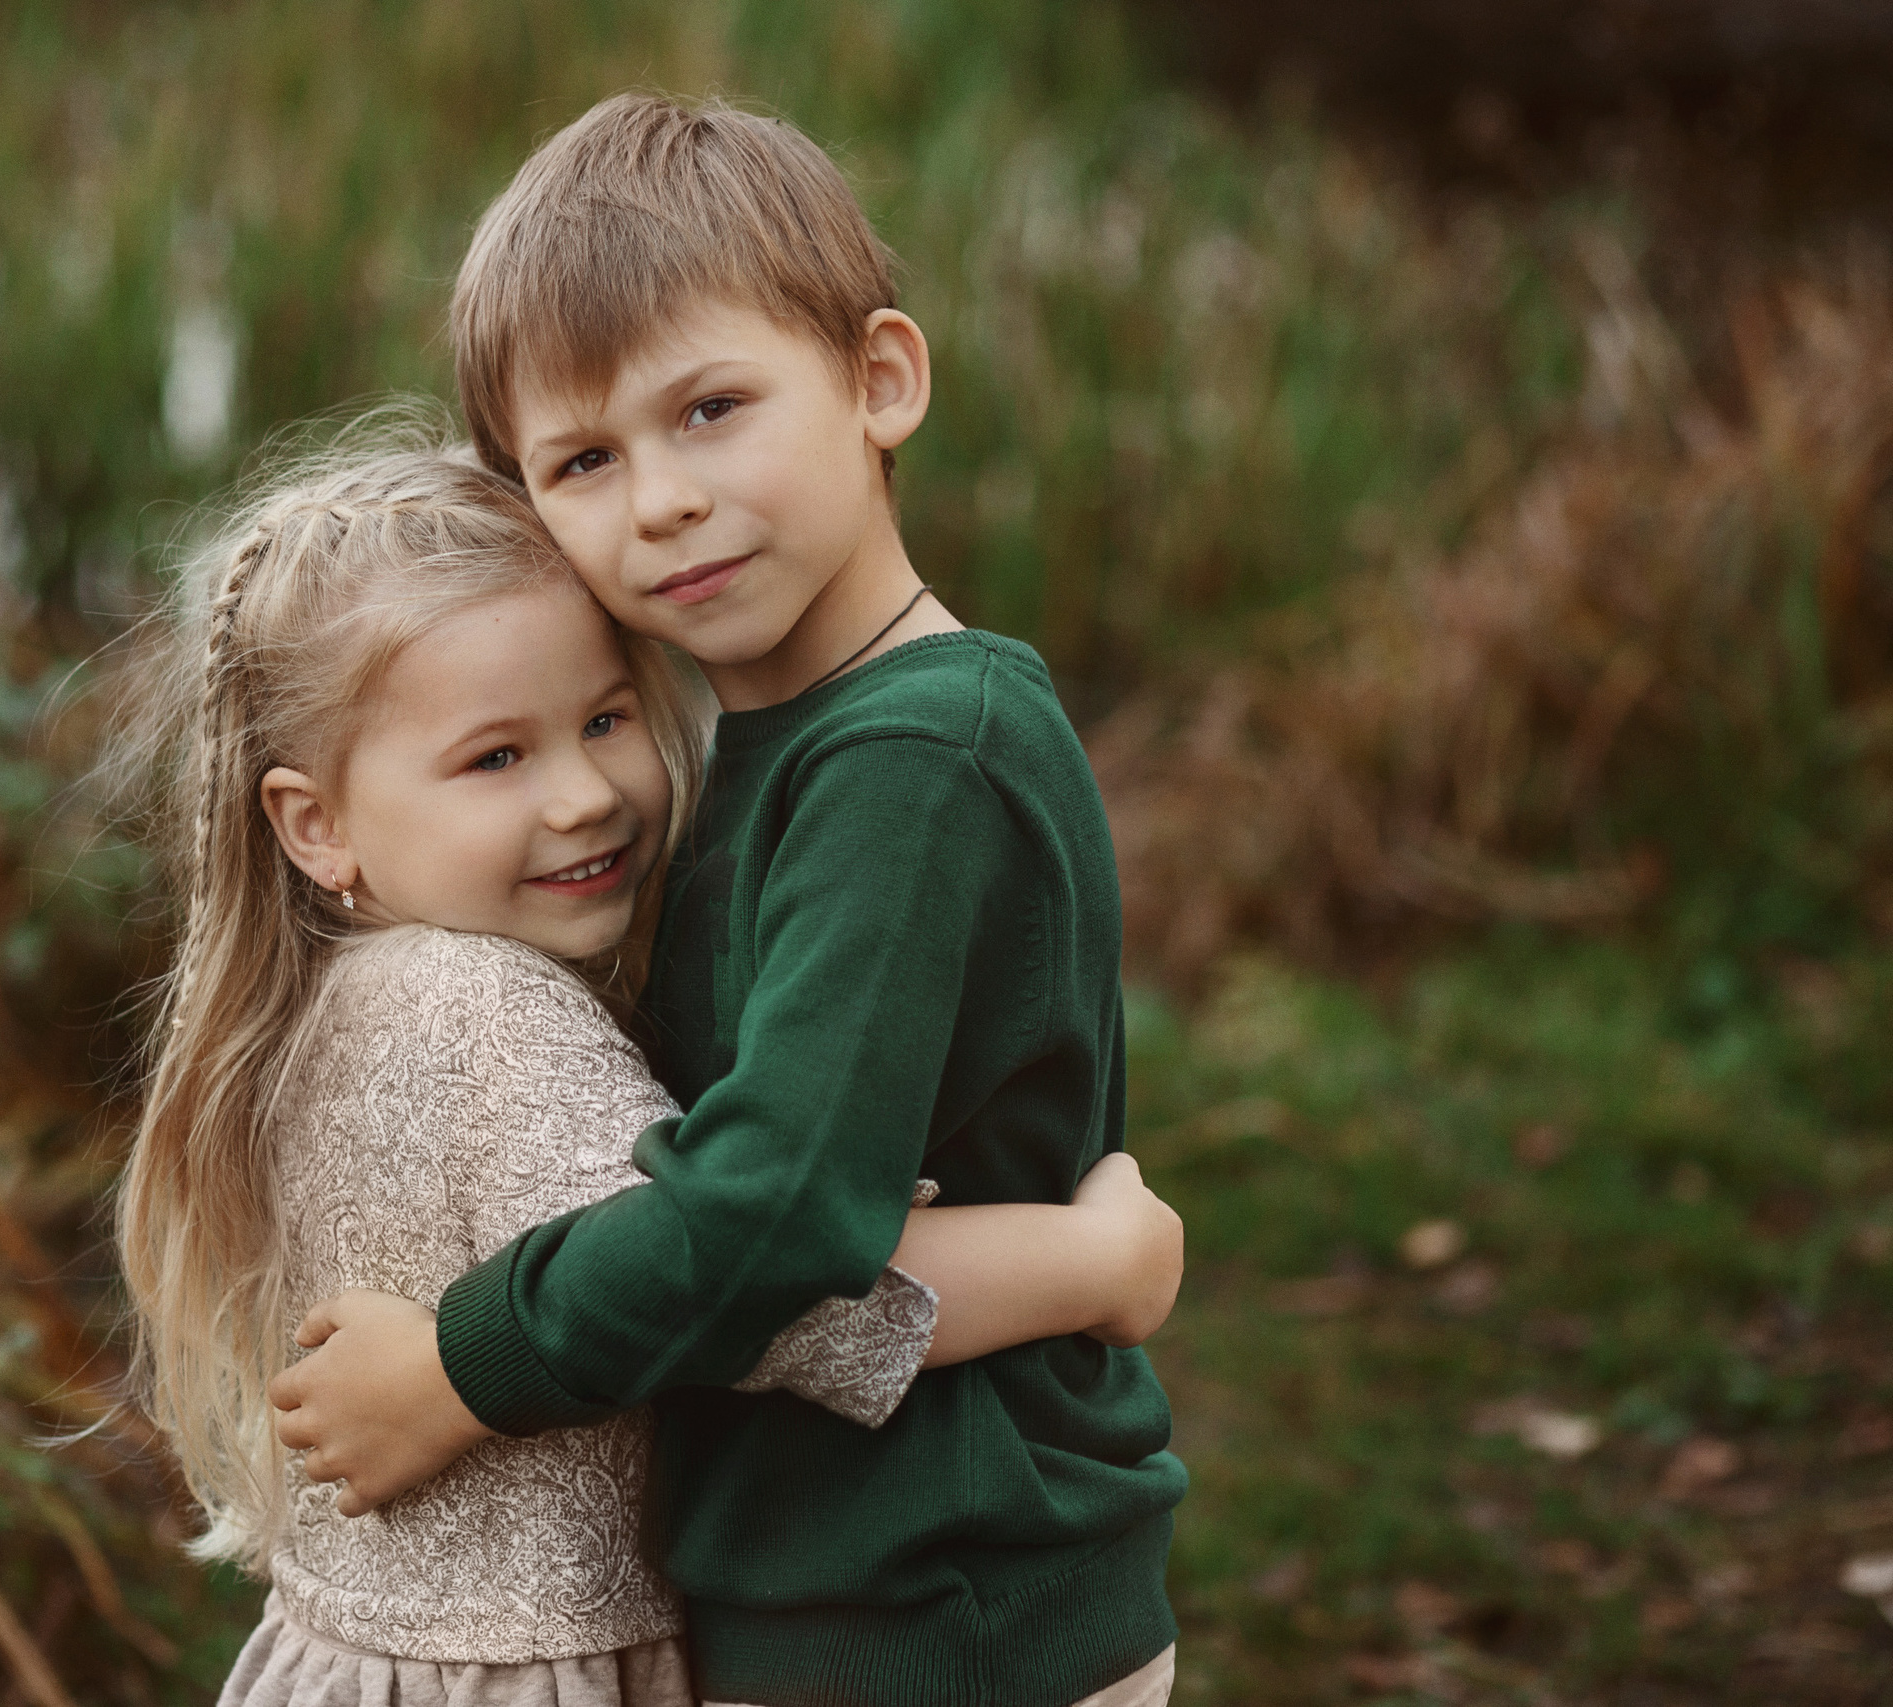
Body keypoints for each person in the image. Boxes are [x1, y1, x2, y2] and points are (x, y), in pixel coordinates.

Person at [266, 95, 1191, 1707]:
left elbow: (778, 1204)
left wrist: (461, 1368)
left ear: (879, 381)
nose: (661, 501)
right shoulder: (764, 752)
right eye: (585, 459)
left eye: (710, 409)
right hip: (835, 1591)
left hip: (943, 1605)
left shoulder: (913, 760)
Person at [113, 435, 1186, 1706]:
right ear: (316, 825)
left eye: (604, 720)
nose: (584, 796)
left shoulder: (345, 989)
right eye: (496, 757)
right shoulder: (483, 1013)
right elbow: (767, 1286)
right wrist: (1100, 1263)